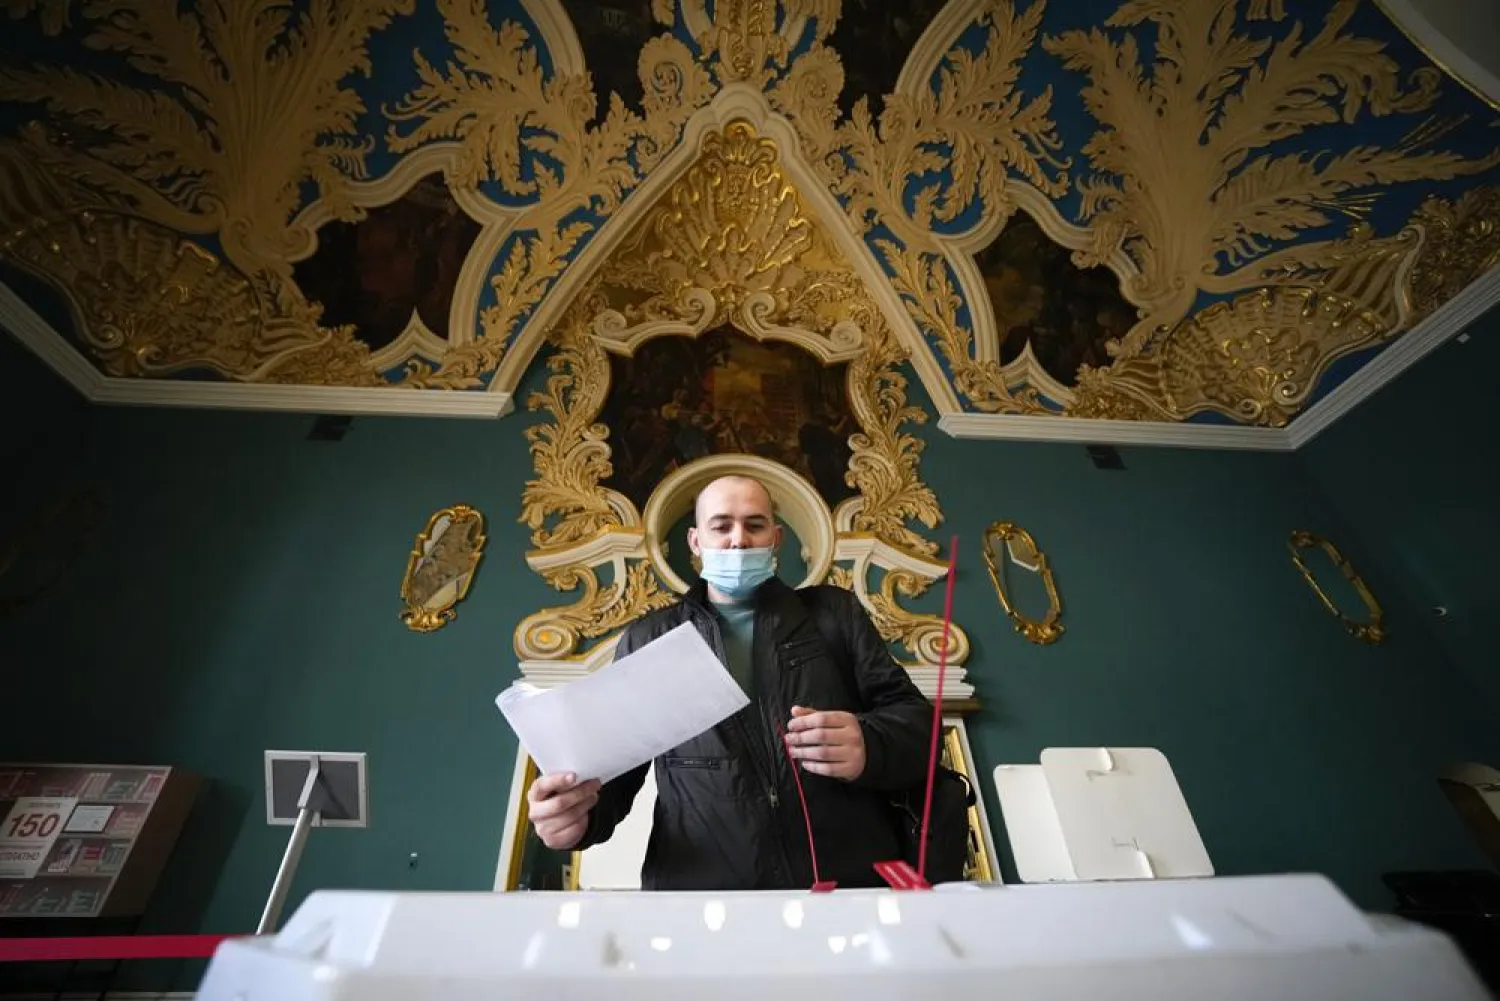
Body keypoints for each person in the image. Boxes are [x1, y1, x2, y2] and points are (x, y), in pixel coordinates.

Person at [525, 473, 933, 890]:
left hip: (846, 892)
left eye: (754, 525)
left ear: (775, 538)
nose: (738, 540)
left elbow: (921, 727)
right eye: (721, 526)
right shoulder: (650, 638)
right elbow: (612, 774)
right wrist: (576, 818)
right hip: (699, 898)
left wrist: (870, 742)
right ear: (695, 541)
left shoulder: (835, 614)